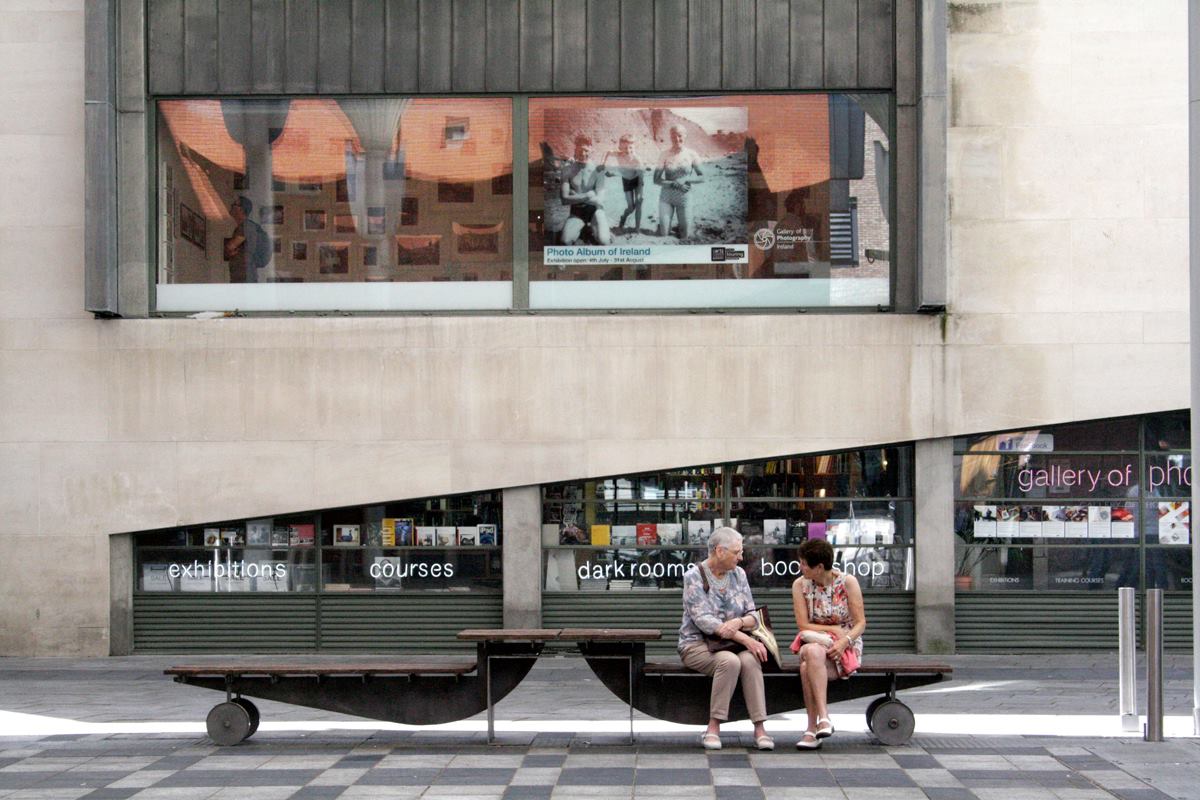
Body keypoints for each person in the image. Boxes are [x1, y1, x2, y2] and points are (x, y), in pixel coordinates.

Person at [678, 526, 774, 751]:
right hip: (697, 645)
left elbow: (753, 615)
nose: (741, 557)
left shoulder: (738, 575)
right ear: (720, 551)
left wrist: (739, 623)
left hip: (731, 645)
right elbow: (705, 621)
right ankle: (714, 727)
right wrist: (747, 640)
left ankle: (760, 728)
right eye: (737, 552)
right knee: (730, 662)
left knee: (750, 661)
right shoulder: (694, 576)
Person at [791, 538, 866, 750]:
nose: (800, 567)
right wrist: (833, 630)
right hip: (815, 639)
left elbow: (860, 623)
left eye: (804, 563)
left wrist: (844, 641)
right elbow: (802, 624)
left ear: (819, 567)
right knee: (813, 651)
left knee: (807, 666)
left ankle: (811, 729)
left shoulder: (847, 582)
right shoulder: (800, 585)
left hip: (846, 644)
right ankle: (824, 718)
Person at [653, 125, 705, 239]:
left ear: (685, 136)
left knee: (685, 236)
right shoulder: (664, 154)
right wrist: (673, 183)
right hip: (666, 197)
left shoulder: (692, 154)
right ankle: (662, 226)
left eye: (680, 135)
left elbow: (703, 177)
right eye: (673, 136)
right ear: (670, 137)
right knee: (664, 234)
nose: (677, 139)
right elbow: (656, 179)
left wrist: (686, 179)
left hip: (684, 197)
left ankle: (683, 226)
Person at [559, 134, 612, 246]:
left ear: (591, 149)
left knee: (604, 241)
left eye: (586, 150)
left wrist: (575, 195)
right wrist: (587, 195)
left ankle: (596, 227)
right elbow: (564, 199)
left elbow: (599, 201)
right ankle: (585, 228)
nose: (583, 154)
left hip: (595, 210)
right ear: (575, 149)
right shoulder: (567, 170)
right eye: (580, 150)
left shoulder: (598, 170)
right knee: (565, 241)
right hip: (577, 212)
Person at [602, 134, 646, 233]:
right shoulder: (618, 154)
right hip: (626, 180)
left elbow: (641, 178)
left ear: (635, 147)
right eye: (625, 148)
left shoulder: (637, 160)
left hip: (637, 179)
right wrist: (602, 163)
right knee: (631, 207)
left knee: (639, 202)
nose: (628, 150)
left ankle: (637, 228)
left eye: (630, 147)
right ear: (620, 147)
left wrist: (639, 194)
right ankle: (624, 216)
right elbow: (607, 152)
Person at [223, 195, 271, 283]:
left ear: (241, 209)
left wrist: (229, 248)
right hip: (242, 277)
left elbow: (230, 246)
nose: (231, 206)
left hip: (246, 278)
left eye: (235, 204)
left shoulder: (246, 226)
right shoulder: (245, 227)